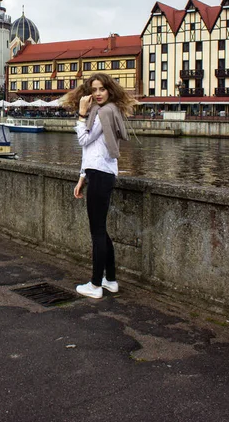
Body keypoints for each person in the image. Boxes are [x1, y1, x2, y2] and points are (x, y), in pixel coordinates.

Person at [62, 74, 137, 299]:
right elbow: (93, 151)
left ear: (110, 90)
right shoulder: (108, 111)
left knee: (97, 232)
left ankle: (95, 286)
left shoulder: (102, 112)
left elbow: (84, 141)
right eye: (94, 89)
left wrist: (81, 114)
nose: (97, 93)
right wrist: (82, 177)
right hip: (100, 172)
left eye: (102, 89)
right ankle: (110, 280)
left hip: (101, 174)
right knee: (101, 231)